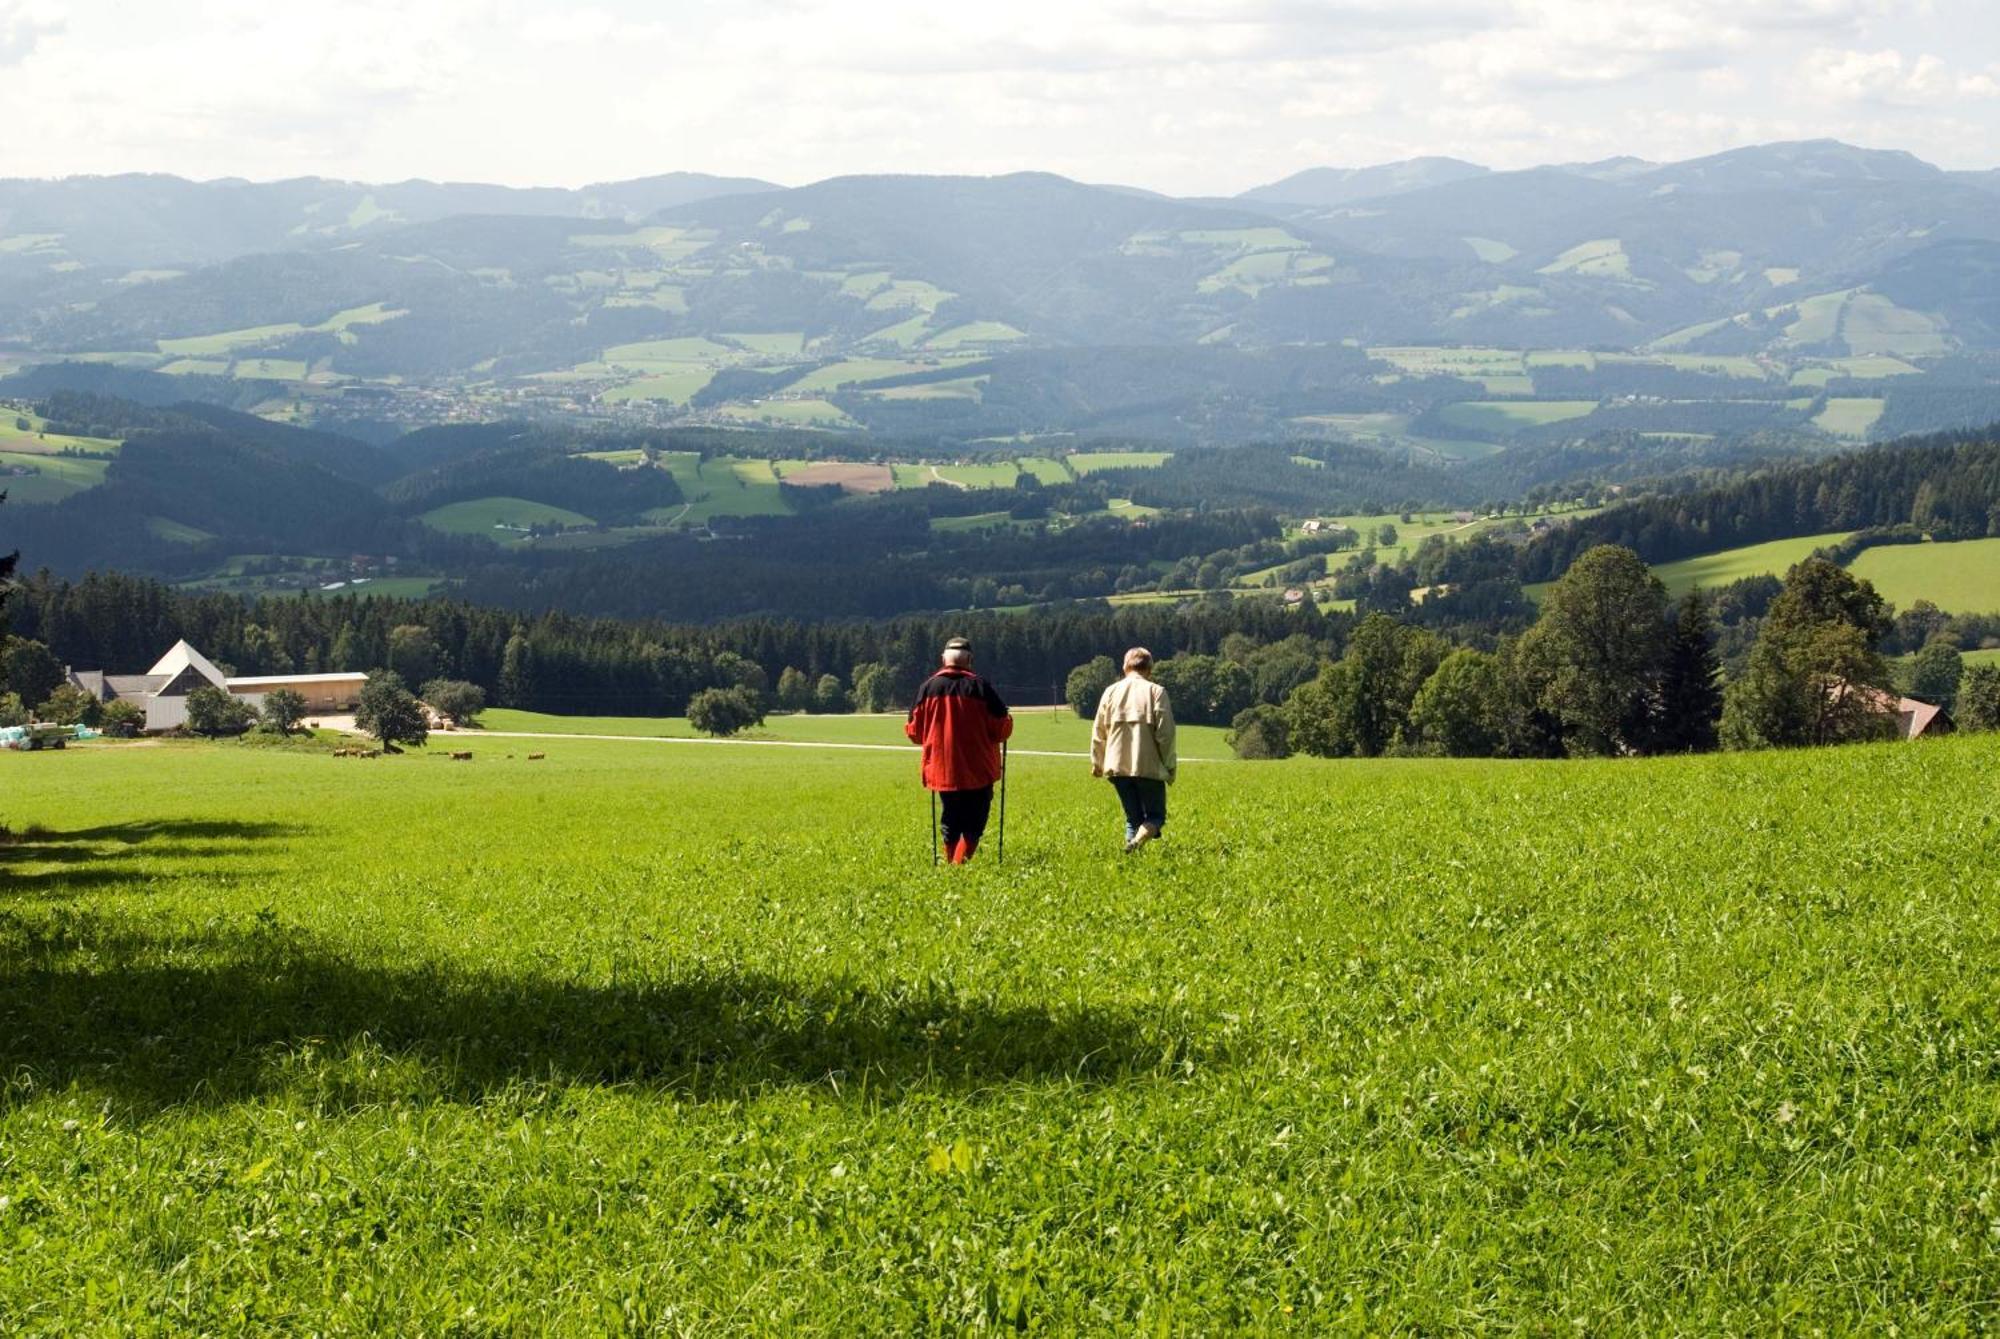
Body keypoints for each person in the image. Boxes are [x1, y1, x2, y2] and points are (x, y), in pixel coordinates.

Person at [905, 636, 1014, 864]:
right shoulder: (981, 688)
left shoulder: (927, 688)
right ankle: (959, 866)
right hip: (979, 771)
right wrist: (1008, 721)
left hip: (943, 770)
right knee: (975, 824)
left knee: (950, 819)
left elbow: (914, 733)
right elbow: (1001, 730)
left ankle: (951, 865)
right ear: (970, 660)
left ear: (943, 659)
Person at [1091, 646, 1177, 852]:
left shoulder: (1110, 692)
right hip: (1149, 766)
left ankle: (1131, 856)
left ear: (1125, 667)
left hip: (1117, 766)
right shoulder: (1157, 692)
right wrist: (1170, 765)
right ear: (1150, 668)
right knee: (1156, 816)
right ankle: (1137, 843)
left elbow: (1099, 730)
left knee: (1133, 818)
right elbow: (1166, 734)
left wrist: (1097, 762)